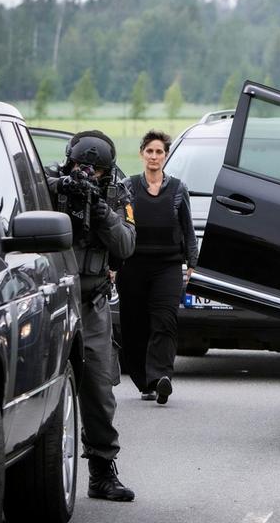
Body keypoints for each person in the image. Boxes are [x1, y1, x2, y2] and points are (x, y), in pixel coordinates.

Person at [45, 130, 137, 502]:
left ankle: (101, 471)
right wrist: (59, 189)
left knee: (98, 388)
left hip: (92, 299)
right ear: (70, 161)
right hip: (53, 297)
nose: (88, 175)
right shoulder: (48, 178)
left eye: (96, 171)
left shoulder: (117, 192)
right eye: (82, 167)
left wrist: (101, 212)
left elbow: (127, 245)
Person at [118, 130, 200, 405]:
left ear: (166, 156)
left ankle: (161, 377)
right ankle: (144, 380)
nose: (154, 157)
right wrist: (113, 263)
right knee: (134, 325)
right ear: (142, 154)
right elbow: (117, 227)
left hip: (167, 266)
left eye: (159, 152)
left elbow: (187, 228)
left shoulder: (178, 189)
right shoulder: (127, 187)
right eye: (150, 151)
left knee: (164, 320)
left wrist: (192, 262)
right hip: (132, 266)